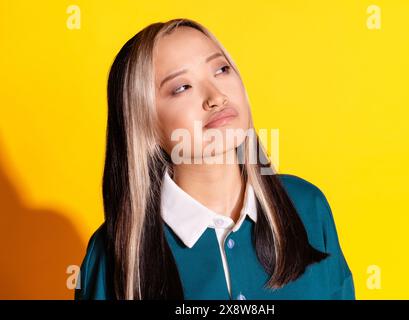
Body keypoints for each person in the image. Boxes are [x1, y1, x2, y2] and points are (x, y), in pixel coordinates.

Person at [74, 18, 355, 300]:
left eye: (221, 69)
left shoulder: (308, 206)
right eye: (182, 87)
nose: (217, 97)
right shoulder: (111, 255)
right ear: (144, 124)